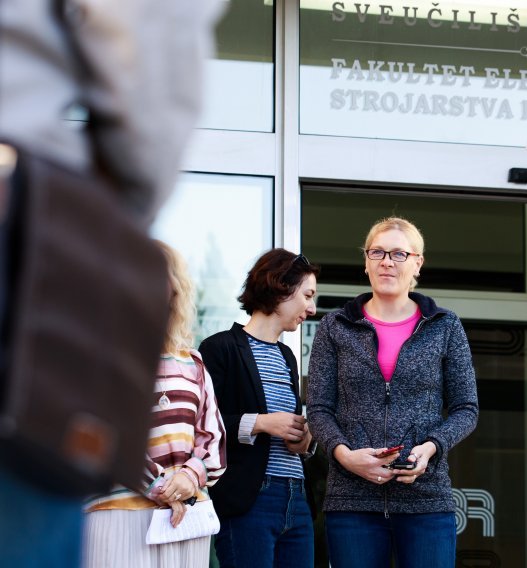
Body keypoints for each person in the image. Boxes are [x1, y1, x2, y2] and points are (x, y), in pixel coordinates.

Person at [0, 2, 223, 566]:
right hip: (24, 219)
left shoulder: (192, 365)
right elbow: (147, 39)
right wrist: (111, 213)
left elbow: (210, 441)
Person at [307, 216, 479, 568]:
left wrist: (430, 449)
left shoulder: (445, 326)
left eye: (399, 254)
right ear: (366, 261)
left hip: (426, 499)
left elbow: (466, 408)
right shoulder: (335, 326)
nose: (387, 261)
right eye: (378, 252)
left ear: (417, 263)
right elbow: (319, 408)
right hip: (352, 500)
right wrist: (343, 455)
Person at [82, 241, 227, 567]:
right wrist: (158, 485)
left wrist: (190, 477)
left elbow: (213, 439)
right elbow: (91, 433)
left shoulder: (194, 363)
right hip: (118, 512)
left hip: (186, 517)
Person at [199, 248, 320, 568]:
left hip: (297, 500)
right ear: (281, 285)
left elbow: (289, 427)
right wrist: (262, 424)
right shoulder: (219, 347)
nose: (312, 307)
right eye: (307, 295)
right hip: (250, 499)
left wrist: (304, 441)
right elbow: (205, 427)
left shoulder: (288, 357)